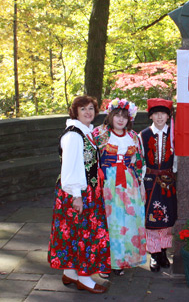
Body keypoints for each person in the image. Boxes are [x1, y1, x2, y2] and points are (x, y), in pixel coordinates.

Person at [48, 95, 109, 294]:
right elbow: (70, 167)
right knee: (84, 235)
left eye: (91, 108)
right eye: (83, 109)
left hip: (86, 191)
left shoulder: (85, 132)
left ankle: (70, 273)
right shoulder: (74, 135)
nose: (88, 112)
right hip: (78, 193)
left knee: (74, 234)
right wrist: (77, 195)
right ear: (75, 112)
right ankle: (84, 277)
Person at [92, 98, 147, 277]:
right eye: (117, 116)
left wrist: (141, 186)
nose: (121, 120)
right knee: (109, 222)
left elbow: (138, 163)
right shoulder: (99, 134)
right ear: (111, 116)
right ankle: (105, 262)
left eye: (124, 116)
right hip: (107, 182)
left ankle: (122, 260)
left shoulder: (133, 137)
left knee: (127, 222)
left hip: (129, 184)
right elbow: (92, 160)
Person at [139, 98, 178, 272]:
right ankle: (154, 254)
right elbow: (139, 160)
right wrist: (140, 183)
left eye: (163, 113)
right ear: (151, 116)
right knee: (152, 218)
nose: (160, 117)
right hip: (150, 181)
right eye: (156, 113)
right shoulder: (143, 135)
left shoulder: (174, 134)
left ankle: (163, 251)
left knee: (167, 218)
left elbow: (177, 159)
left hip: (168, 181)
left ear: (168, 116)